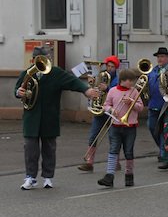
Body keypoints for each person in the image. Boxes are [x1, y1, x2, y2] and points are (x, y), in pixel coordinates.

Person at [16, 47, 99, 190]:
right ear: (33, 60)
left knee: (49, 148)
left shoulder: (56, 73)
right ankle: (30, 177)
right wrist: (19, 92)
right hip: (32, 118)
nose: (43, 62)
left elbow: (73, 82)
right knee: (30, 149)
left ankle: (48, 177)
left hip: (49, 117)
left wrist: (86, 90)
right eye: (39, 59)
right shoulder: (27, 73)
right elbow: (17, 89)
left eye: (45, 58)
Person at [97, 69, 144, 188]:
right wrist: (111, 110)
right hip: (115, 125)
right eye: (130, 80)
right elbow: (106, 105)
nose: (132, 83)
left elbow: (140, 107)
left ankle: (129, 175)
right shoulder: (112, 91)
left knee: (128, 151)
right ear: (123, 80)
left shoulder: (134, 92)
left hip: (130, 126)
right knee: (113, 149)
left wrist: (132, 102)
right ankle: (109, 176)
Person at [78, 55, 120, 172]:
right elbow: (94, 90)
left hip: (111, 111)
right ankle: (89, 162)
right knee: (93, 135)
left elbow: (117, 92)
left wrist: (107, 88)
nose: (110, 68)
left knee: (113, 137)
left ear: (116, 68)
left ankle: (116, 162)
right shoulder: (101, 76)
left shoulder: (117, 80)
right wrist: (91, 84)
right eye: (108, 66)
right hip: (100, 110)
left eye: (112, 66)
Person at [147, 47, 168, 161]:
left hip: (165, 104)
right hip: (153, 103)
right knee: (152, 127)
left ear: (167, 58)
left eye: (162, 56)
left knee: (163, 130)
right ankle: (162, 148)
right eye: (158, 57)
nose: (159, 59)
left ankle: (163, 152)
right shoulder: (153, 70)